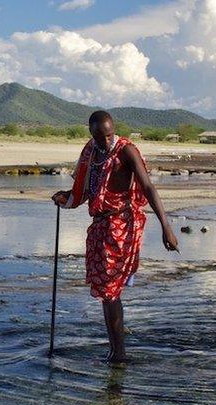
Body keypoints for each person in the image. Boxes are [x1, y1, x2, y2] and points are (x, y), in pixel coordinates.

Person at [52, 111, 179, 363]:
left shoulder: (126, 151)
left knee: (110, 290)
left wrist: (166, 226)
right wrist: (66, 196)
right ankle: (114, 348)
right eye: (100, 137)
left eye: (109, 135)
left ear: (114, 130)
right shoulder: (91, 152)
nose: (105, 141)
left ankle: (119, 352)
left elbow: (148, 187)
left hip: (122, 224)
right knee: (105, 292)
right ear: (92, 134)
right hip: (100, 224)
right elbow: (88, 189)